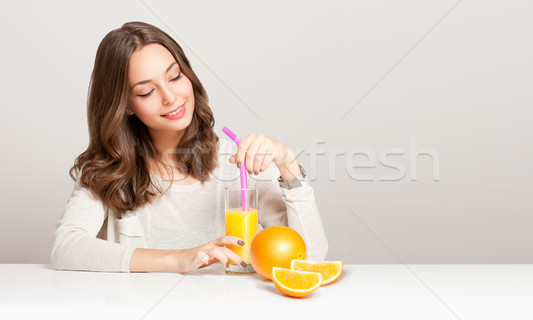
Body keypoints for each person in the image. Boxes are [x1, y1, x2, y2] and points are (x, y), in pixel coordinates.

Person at [50, 21, 328, 273]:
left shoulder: (238, 162)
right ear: (125, 105)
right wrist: (178, 259)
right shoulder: (109, 170)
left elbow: (310, 260)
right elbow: (66, 249)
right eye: (147, 91)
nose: (171, 97)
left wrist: (287, 164)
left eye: (175, 77)